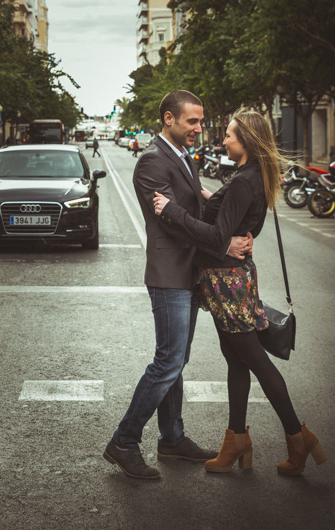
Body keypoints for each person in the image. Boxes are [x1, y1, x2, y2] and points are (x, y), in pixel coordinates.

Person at [153, 109, 327, 477]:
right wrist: (210, 197)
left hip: (227, 282)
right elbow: (241, 224)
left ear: (245, 140)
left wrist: (172, 211)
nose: (224, 140)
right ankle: (236, 440)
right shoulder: (249, 178)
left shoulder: (243, 182)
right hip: (229, 280)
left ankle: (298, 436)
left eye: (230, 135)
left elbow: (218, 236)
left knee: (256, 361)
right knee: (235, 359)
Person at [103, 90, 252, 480]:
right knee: (168, 360)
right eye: (192, 121)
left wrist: (225, 226)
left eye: (201, 122)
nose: (199, 129)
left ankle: (172, 439)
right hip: (169, 273)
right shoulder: (152, 161)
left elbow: (196, 209)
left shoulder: (183, 157)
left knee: (176, 360)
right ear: (169, 119)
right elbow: (175, 218)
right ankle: (124, 440)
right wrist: (223, 241)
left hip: (188, 272)